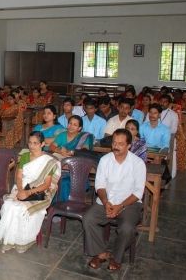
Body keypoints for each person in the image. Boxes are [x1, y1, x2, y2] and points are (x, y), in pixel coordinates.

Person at [83, 129, 146, 271]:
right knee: (88, 218)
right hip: (107, 201)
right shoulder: (105, 160)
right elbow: (99, 185)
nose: (116, 146)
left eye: (121, 144)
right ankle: (101, 253)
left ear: (129, 145)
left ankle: (116, 258)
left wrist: (120, 206)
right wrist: (106, 203)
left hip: (129, 203)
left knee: (127, 228)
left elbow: (138, 192)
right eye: (114, 143)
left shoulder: (138, 164)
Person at [0, 131, 61, 253]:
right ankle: (9, 239)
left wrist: (28, 193)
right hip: (22, 187)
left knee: (21, 209)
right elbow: (19, 177)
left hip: (39, 191)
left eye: (35, 143)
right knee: (9, 205)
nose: (32, 146)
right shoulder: (25, 156)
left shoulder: (48, 161)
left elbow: (46, 184)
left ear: (42, 144)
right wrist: (20, 190)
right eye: (30, 143)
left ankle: (21, 241)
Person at [50, 115, 94, 201]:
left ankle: (65, 207)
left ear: (79, 128)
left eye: (75, 124)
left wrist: (72, 152)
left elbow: (84, 151)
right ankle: (57, 207)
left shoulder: (84, 137)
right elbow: (52, 146)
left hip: (77, 169)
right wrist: (60, 151)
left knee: (64, 182)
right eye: (70, 123)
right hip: (62, 168)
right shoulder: (62, 135)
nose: (71, 126)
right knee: (53, 180)